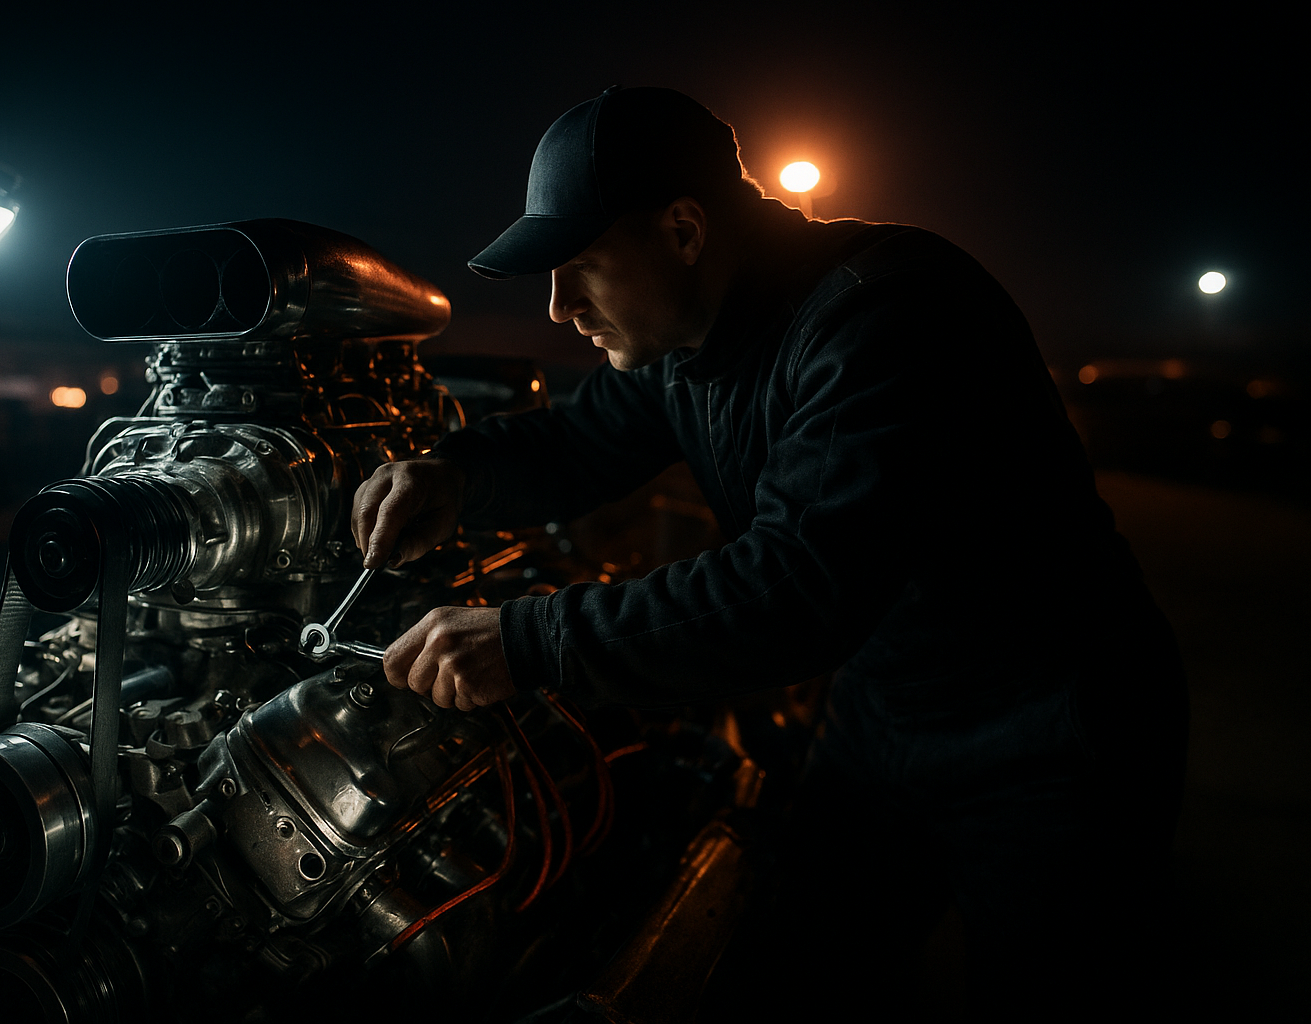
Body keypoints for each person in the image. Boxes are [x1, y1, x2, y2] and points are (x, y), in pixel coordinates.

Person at [352, 87, 1188, 1016]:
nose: (556, 307)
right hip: (882, 709)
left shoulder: (885, 313)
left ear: (682, 229)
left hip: (1051, 723)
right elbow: (580, 442)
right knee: (807, 965)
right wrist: (453, 473)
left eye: (582, 266)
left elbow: (798, 586)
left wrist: (531, 641)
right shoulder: (685, 343)